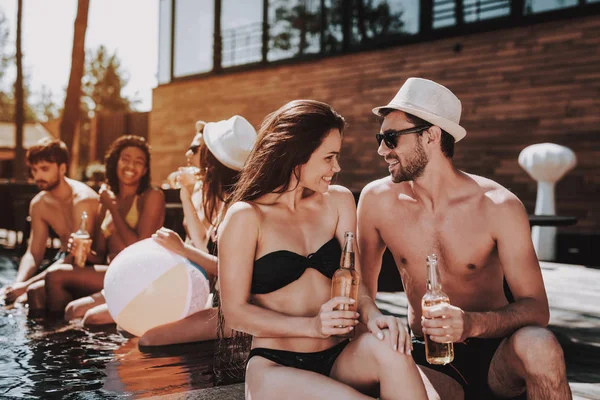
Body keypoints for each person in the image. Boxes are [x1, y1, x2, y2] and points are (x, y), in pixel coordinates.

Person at [357, 77, 571, 399]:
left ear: (431, 135)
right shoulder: (377, 201)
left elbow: (537, 309)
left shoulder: (498, 205)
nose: (381, 149)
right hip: (429, 358)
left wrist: (470, 324)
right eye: (380, 137)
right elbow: (362, 290)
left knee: (540, 344)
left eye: (390, 138)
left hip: (498, 354)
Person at [218, 100, 430, 399]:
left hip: (340, 356)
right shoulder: (247, 217)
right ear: (296, 155)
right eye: (329, 157)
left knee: (393, 350)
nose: (337, 167)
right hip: (277, 367)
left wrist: (373, 315)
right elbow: (235, 313)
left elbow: (357, 285)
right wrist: (313, 327)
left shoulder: (338, 201)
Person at [139, 115, 257, 346]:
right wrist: (185, 192)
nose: (189, 155)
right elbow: (204, 244)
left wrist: (181, 249)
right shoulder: (228, 201)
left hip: (241, 311)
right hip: (222, 303)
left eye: (198, 149)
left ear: (210, 160)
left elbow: (230, 270)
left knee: (150, 338)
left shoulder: (241, 209)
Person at [54, 135, 165, 325]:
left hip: (137, 273)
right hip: (110, 270)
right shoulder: (107, 199)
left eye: (139, 162)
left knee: (64, 295)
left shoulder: (151, 196)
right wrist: (82, 251)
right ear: (116, 162)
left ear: (145, 169)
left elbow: (137, 247)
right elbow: (100, 254)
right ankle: (51, 342)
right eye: (126, 159)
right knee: (50, 282)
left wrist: (112, 208)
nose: (131, 166)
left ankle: (63, 341)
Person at [1, 138, 99, 305]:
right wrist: (18, 284)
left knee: (32, 294)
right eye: (34, 170)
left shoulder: (82, 199)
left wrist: (25, 286)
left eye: (45, 169)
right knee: (13, 300)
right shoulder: (39, 204)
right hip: (63, 260)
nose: (38, 176)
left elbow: (78, 255)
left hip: (91, 262)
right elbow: (34, 253)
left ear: (62, 168)